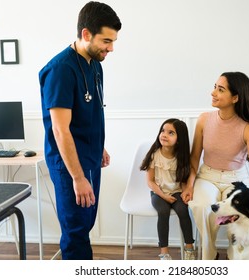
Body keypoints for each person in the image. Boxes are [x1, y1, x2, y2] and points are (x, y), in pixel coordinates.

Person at [38, 1, 121, 260]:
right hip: (69, 166)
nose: (111, 48)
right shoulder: (61, 70)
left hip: (90, 157)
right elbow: (61, 131)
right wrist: (77, 178)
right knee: (75, 233)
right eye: (106, 41)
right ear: (86, 34)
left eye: (113, 41)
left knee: (85, 224)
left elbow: (91, 110)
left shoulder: (95, 64)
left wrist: (99, 146)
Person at [182, 72, 249, 260]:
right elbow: (193, 159)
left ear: (235, 97)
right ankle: (209, 257)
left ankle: (234, 259)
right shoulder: (204, 120)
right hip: (207, 176)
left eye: (220, 89)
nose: (213, 92)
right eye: (215, 86)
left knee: (239, 212)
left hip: (237, 179)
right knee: (201, 207)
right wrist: (189, 185)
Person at [140, 118, 196, 260]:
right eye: (163, 131)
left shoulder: (181, 157)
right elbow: (150, 182)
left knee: (183, 210)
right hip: (158, 192)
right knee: (163, 211)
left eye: (171, 133)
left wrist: (185, 192)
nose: (164, 135)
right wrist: (164, 196)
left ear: (179, 139)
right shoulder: (154, 154)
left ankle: (189, 248)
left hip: (176, 191)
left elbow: (183, 180)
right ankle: (164, 253)